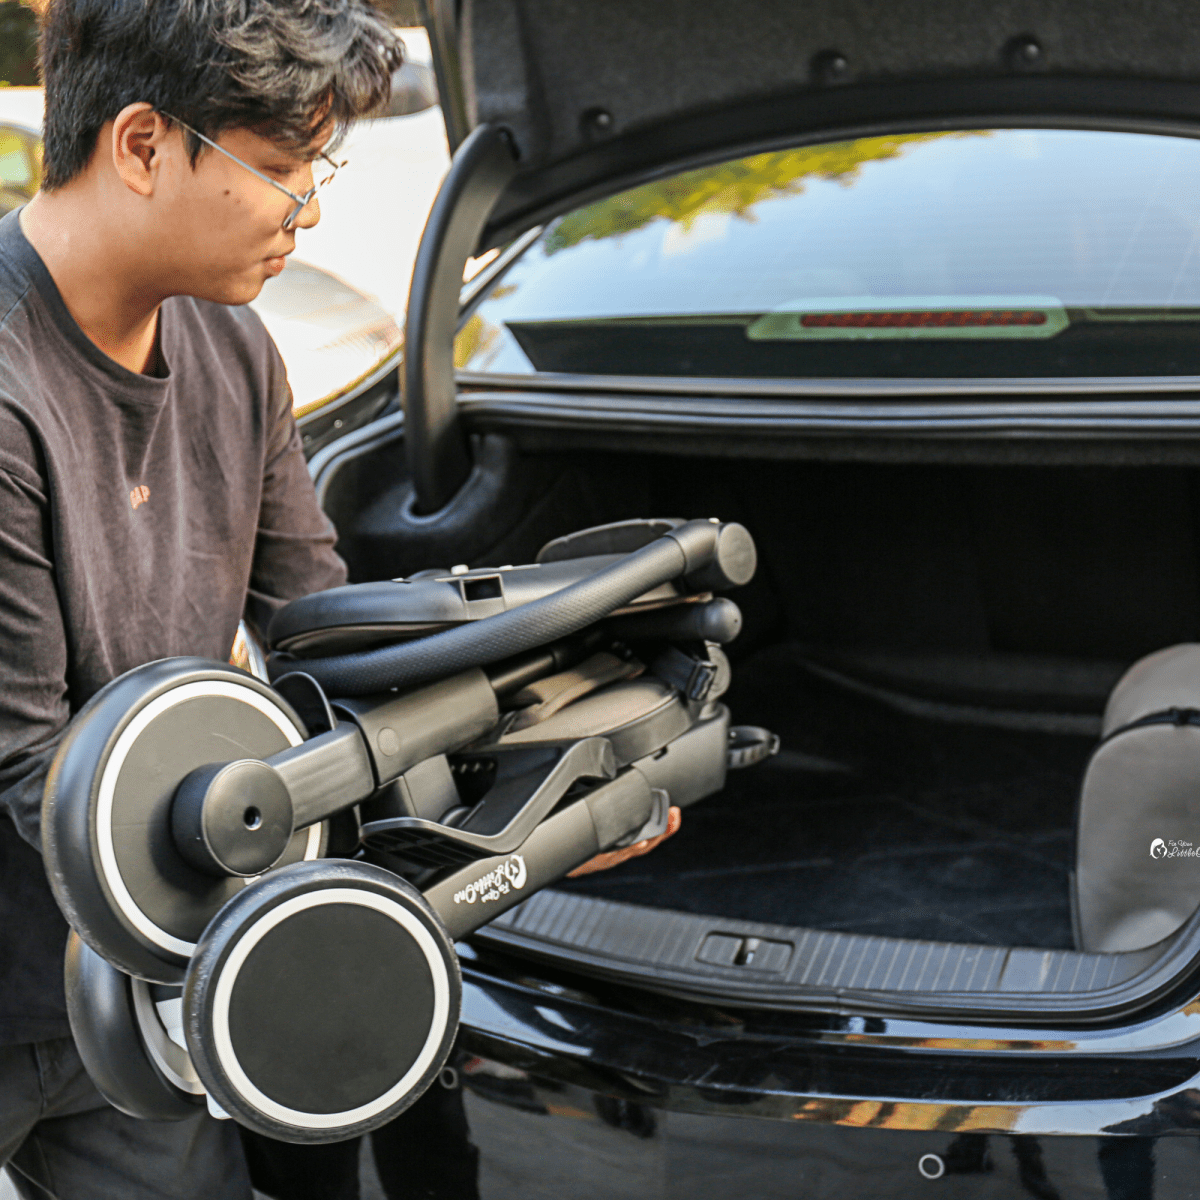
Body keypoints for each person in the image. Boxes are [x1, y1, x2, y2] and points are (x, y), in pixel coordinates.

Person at [0, 1, 681, 1196]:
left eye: (319, 166)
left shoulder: (233, 350)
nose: (306, 207)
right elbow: (31, 775)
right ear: (144, 145)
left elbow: (324, 640)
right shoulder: (9, 393)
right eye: (277, 168)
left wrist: (538, 788)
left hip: (124, 994)